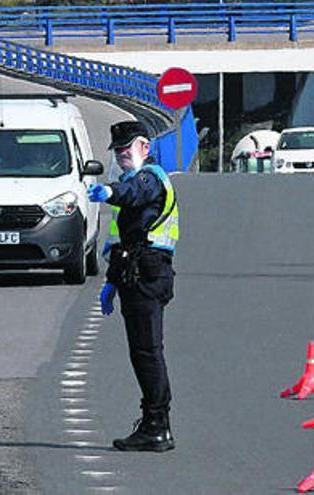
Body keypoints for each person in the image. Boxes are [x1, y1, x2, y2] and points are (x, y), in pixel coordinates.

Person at [87, 120, 179, 452]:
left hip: (147, 275)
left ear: (145, 147)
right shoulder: (136, 178)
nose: (123, 155)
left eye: (128, 149)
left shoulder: (151, 178)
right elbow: (123, 238)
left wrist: (109, 191)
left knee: (147, 352)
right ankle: (155, 423)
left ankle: (157, 425)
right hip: (134, 273)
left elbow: (133, 192)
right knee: (143, 352)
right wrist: (110, 282)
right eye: (119, 151)